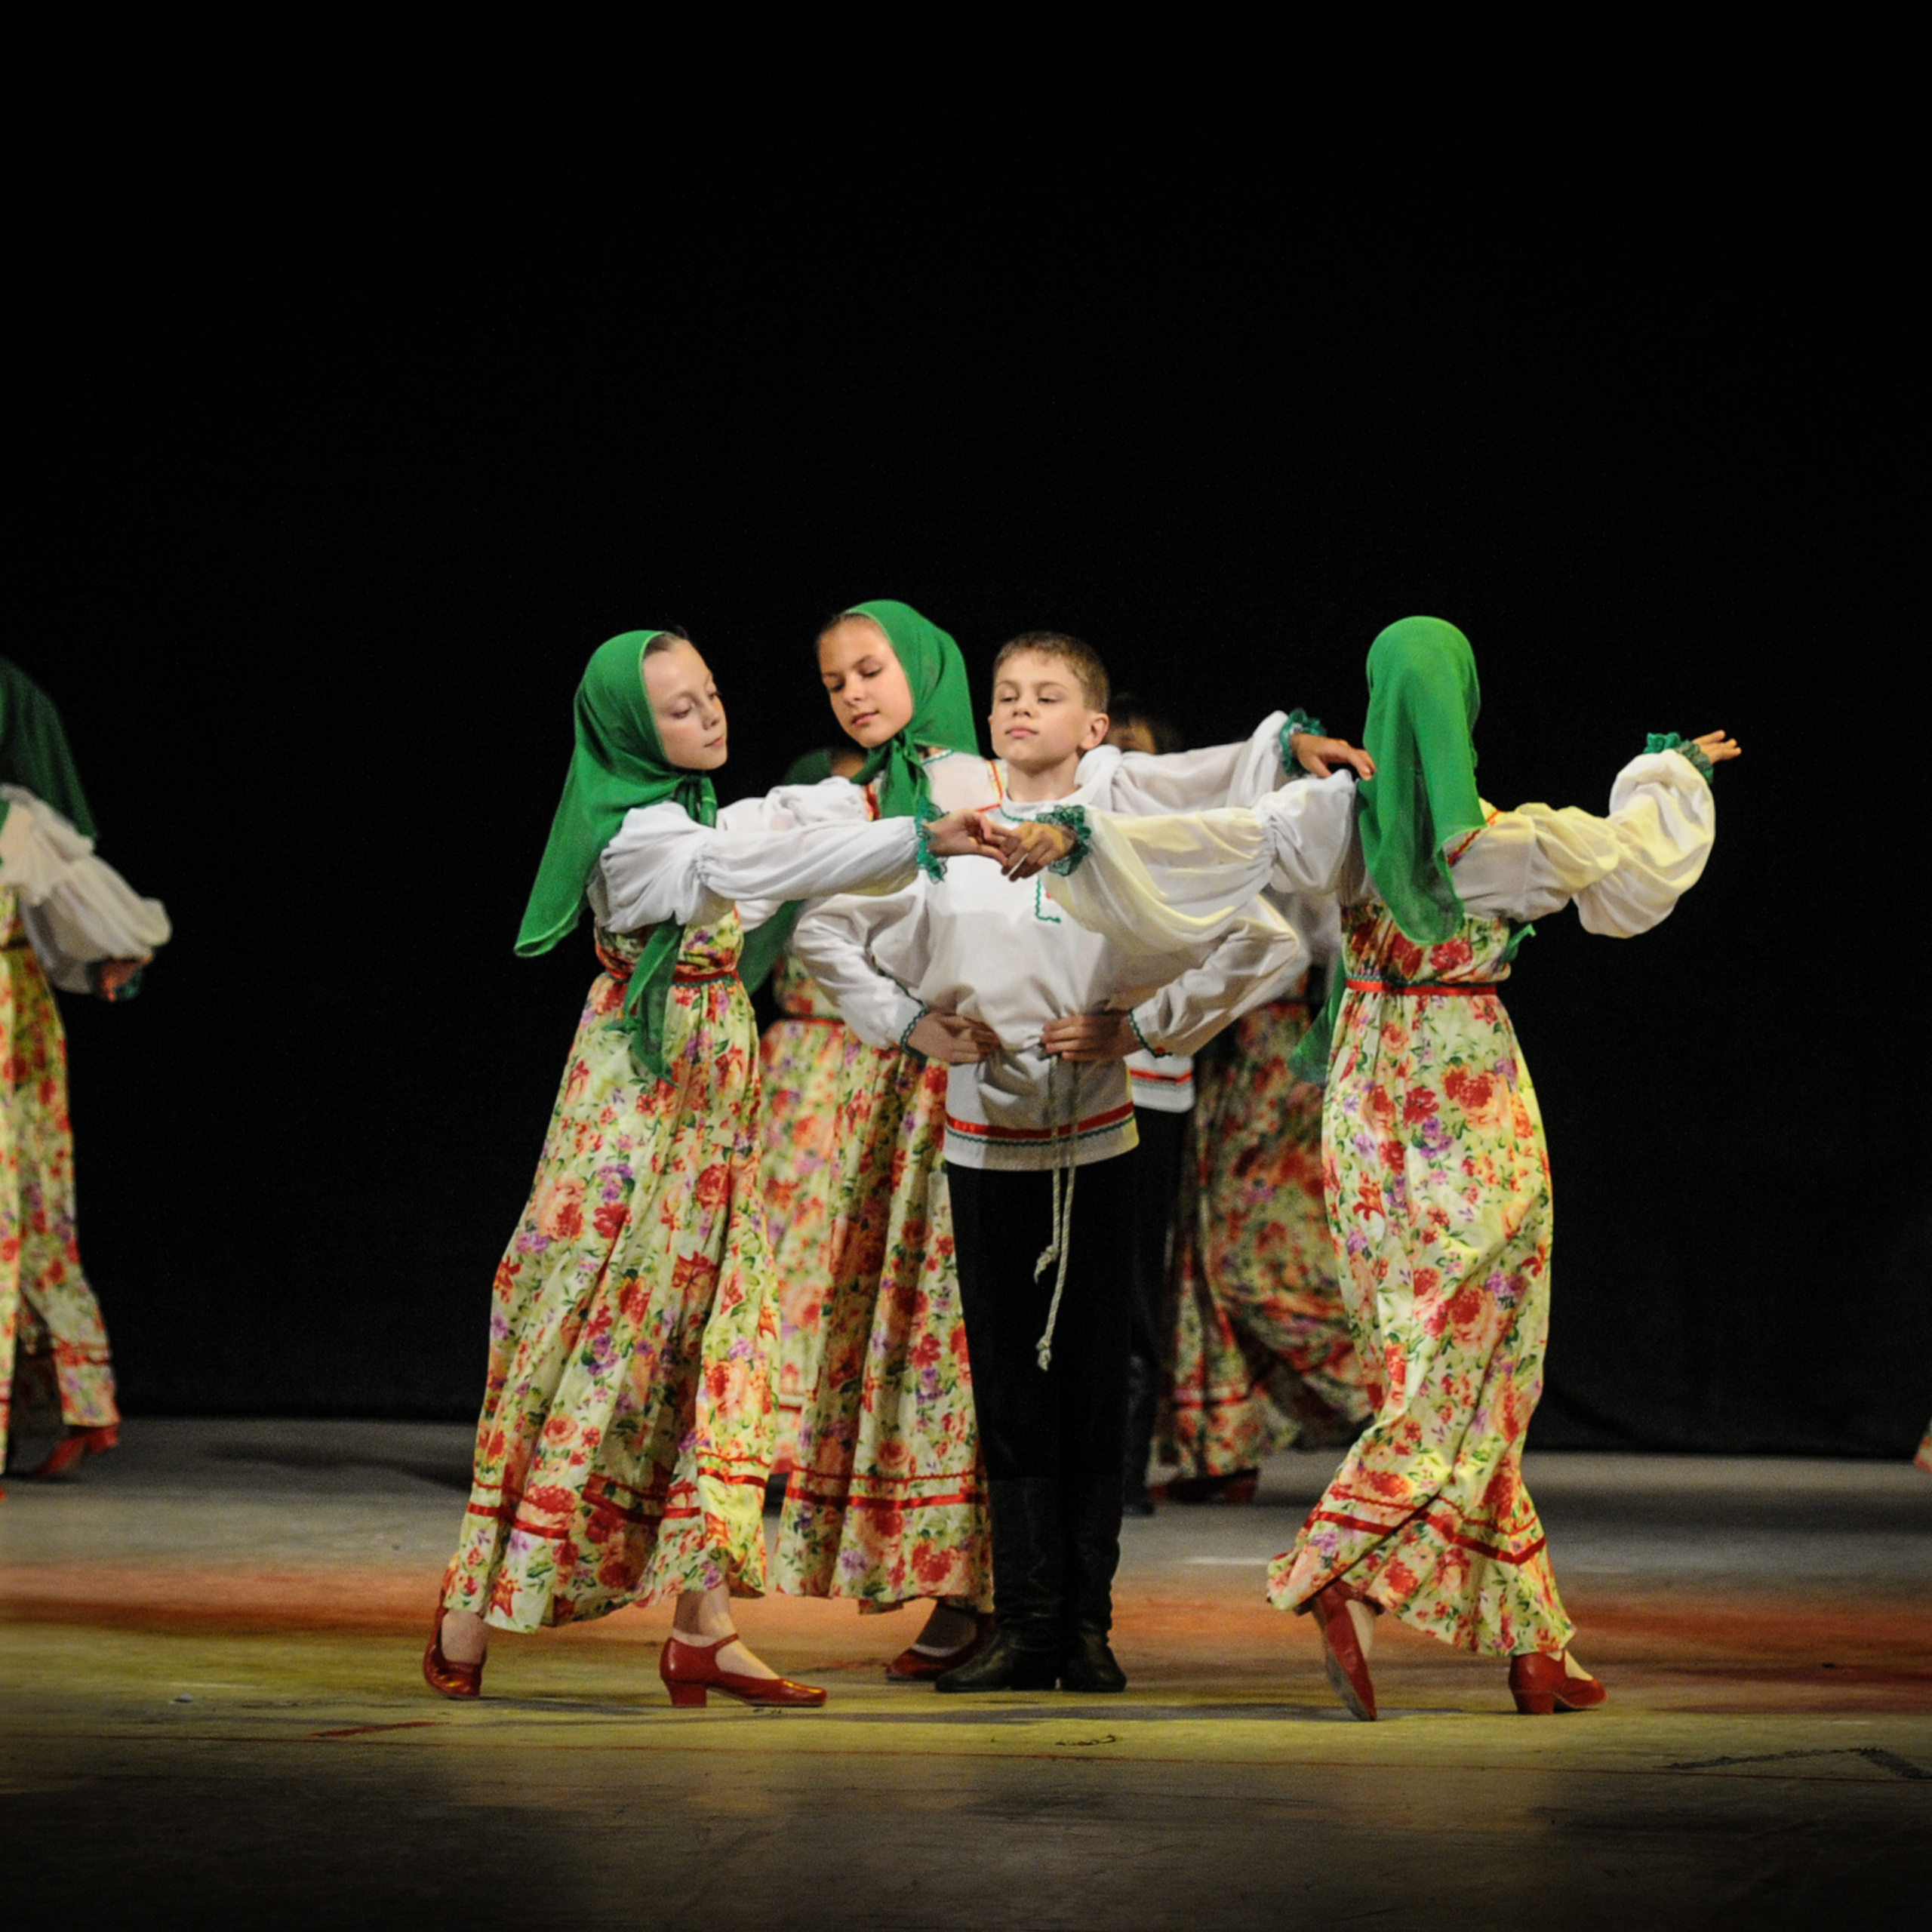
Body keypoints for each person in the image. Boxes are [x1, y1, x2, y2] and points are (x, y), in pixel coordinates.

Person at [1001, 616, 1734, 1718]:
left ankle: (1537, 1643)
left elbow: (1209, 841)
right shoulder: (1510, 842)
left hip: (1367, 1102)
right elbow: (1638, 863)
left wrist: (1076, 838)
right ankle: (1344, 1560)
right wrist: (1672, 774)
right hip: (1472, 1098)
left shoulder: (1334, 819)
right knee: (1480, 1359)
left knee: (1439, 1360)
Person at [423, 628, 999, 1709]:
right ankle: (467, 1607)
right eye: (678, 708)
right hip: (633, 1114)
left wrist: (889, 784)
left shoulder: (692, 815)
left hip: (710, 1114)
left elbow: (776, 819)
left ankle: (705, 1632)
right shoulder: (636, 839)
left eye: (711, 693)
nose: (709, 716)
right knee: (579, 1330)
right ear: (633, 730)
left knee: (716, 1342)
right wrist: (920, 835)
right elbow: (751, 865)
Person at [781, 605, 1361, 1678]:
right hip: (981, 1140)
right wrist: (910, 1024)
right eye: (1006, 695)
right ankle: (1026, 1623)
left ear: (1093, 727)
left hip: (1095, 1136)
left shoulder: (1115, 814)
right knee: (1007, 1387)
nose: (1019, 710)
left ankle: (1087, 1628)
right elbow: (825, 925)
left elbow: (1258, 928)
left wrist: (1141, 1028)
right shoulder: (952, 816)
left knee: (1091, 1381)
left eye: (1046, 697)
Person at [0, 660, 168, 1497]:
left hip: (8, 1018)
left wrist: (113, 954)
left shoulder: (16, 812)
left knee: (22, 1204)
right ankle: (77, 1399)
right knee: (23, 1207)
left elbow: (88, 893)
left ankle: (79, 1399)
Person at [748, 746, 865, 1478]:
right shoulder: (787, 870)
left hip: (865, 1061)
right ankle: (767, 1429)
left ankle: (825, 1432)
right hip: (797, 1068)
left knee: (838, 1245)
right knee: (780, 1239)